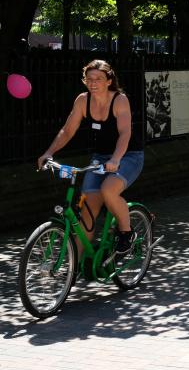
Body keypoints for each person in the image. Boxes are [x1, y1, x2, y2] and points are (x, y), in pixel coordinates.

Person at [37, 60, 144, 257]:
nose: (93, 83)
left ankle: (127, 233)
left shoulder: (119, 100)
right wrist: (49, 152)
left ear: (109, 80)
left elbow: (125, 133)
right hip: (100, 157)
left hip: (128, 155)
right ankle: (74, 269)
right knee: (86, 214)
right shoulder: (82, 101)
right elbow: (68, 131)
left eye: (99, 79)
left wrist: (116, 160)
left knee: (108, 190)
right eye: (89, 79)